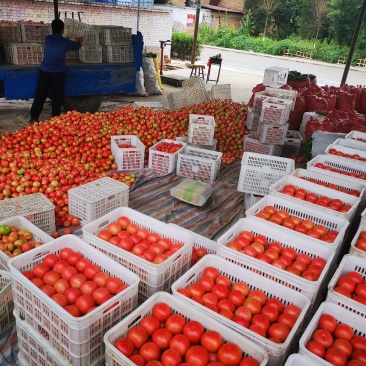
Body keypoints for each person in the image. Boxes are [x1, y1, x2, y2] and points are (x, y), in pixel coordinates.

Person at [29, 19, 84, 123]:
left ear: (52, 29)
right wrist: (79, 42)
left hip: (44, 72)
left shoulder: (47, 39)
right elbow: (76, 47)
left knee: (40, 95)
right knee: (57, 97)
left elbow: (58, 43)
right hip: (58, 74)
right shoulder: (66, 42)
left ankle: (34, 117)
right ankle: (55, 118)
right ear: (62, 30)